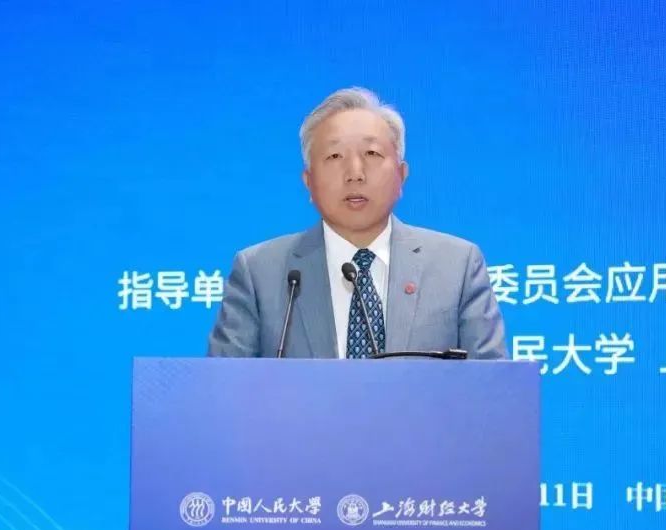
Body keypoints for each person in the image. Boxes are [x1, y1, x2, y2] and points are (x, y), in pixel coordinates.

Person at [207, 87, 506, 359]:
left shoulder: (457, 266)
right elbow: (223, 390)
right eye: (334, 156)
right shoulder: (259, 272)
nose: (355, 173)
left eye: (372, 154)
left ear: (402, 175)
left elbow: (493, 389)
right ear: (308, 182)